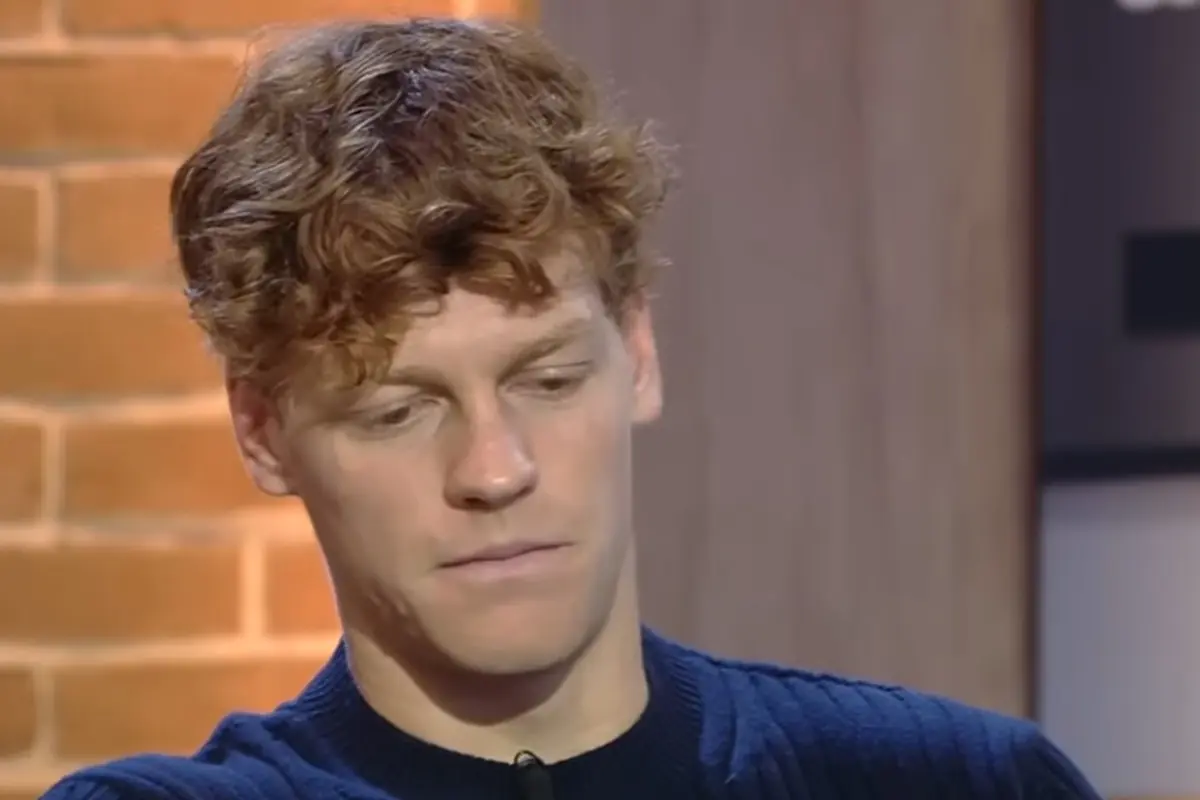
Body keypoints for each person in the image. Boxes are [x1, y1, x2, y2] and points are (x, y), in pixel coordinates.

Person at [43, 16, 1101, 800]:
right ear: (263, 431)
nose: (496, 469)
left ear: (637, 353)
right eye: (399, 411)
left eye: (547, 380)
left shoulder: (957, 783)